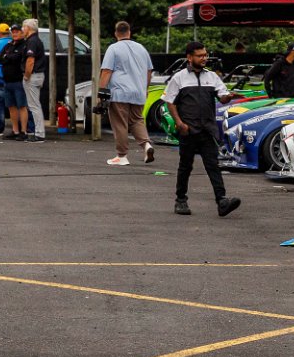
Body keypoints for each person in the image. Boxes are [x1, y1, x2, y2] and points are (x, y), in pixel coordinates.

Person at [162, 41, 241, 217]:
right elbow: (170, 102)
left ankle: (222, 201)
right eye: (200, 56)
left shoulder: (212, 77)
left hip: (207, 129)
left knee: (213, 165)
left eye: (205, 55)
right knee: (185, 166)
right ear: (189, 58)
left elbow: (222, 98)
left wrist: (229, 97)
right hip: (188, 130)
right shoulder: (179, 78)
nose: (204, 58)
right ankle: (180, 200)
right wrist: (179, 123)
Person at [97, 20, 156, 167]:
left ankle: (122, 156)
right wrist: (145, 89)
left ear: (116, 33)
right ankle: (146, 145)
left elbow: (106, 71)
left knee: (120, 123)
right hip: (138, 92)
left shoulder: (113, 48)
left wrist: (101, 93)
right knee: (137, 120)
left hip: (120, 92)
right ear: (129, 32)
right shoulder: (142, 48)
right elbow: (149, 71)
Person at [20, 18, 47, 142]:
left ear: (28, 28)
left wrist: (27, 75)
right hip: (38, 75)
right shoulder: (37, 40)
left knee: (34, 105)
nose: (22, 30)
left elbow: (30, 60)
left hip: (33, 75)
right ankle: (39, 132)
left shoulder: (31, 41)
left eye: (23, 27)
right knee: (35, 104)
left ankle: (40, 133)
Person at [0, 25, 28, 139]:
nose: (15, 34)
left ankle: (24, 131)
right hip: (7, 80)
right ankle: (15, 130)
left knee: (22, 105)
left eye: (17, 31)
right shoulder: (8, 45)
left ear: (22, 33)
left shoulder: (24, 45)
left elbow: (18, 57)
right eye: (13, 32)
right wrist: (8, 57)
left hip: (18, 81)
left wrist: (7, 56)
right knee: (11, 106)